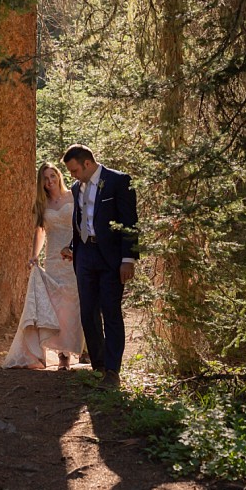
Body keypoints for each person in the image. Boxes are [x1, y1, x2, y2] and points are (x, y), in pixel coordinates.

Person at [61, 144, 138, 389]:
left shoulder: (118, 181)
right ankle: (99, 367)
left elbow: (130, 222)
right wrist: (73, 247)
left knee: (111, 311)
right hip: (84, 256)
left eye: (74, 170)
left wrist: (128, 259)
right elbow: (82, 221)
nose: (72, 176)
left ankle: (113, 371)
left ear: (87, 163)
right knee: (88, 313)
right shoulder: (76, 188)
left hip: (111, 258)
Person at [2, 162, 85, 370]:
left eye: (52, 176)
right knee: (57, 307)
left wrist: (77, 248)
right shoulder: (42, 204)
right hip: (53, 259)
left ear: (59, 176)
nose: (50, 182)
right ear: (42, 184)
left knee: (74, 306)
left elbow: (83, 223)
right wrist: (34, 255)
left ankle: (77, 349)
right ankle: (61, 354)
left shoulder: (73, 196)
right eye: (46, 179)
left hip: (75, 256)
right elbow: (40, 231)